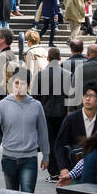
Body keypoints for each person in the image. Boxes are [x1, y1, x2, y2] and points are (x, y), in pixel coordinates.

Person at [0, 73, 50, 193]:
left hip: (29, 158)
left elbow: (43, 131)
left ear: (28, 86)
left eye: (22, 83)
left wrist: (46, 155)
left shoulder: (36, 106)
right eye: (16, 83)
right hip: (9, 158)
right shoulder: (3, 104)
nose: (19, 86)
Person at [32, 48, 71, 177]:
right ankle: (63, 168)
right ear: (60, 58)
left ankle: (53, 170)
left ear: (47, 58)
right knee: (62, 142)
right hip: (63, 114)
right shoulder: (67, 74)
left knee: (49, 142)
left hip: (46, 113)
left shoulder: (40, 75)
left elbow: (35, 97)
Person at [53, 85, 97, 175]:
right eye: (85, 95)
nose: (87, 99)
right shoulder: (71, 119)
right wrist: (63, 168)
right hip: (72, 168)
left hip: (95, 169)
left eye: (91, 96)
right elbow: (59, 144)